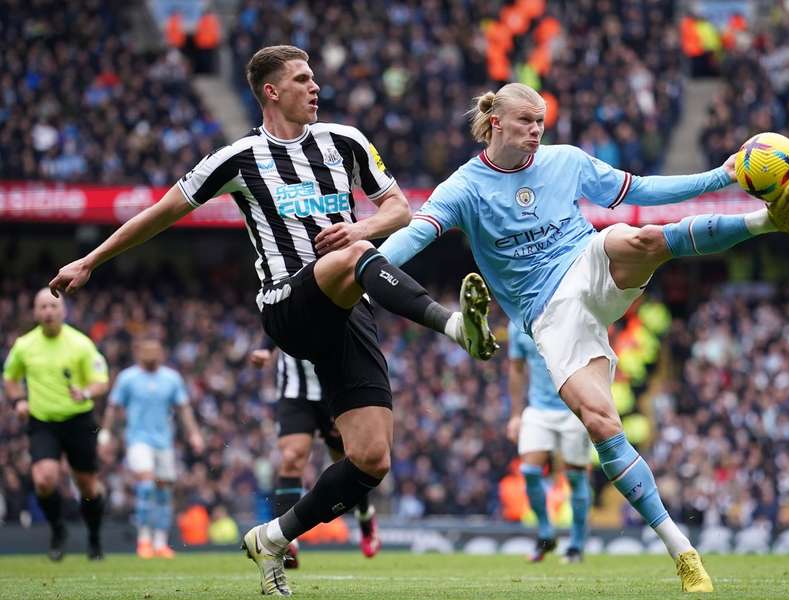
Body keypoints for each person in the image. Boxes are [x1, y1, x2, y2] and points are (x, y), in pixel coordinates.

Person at [49, 45, 495, 596]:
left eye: (314, 78)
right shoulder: (237, 158)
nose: (315, 88)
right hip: (287, 303)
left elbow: (399, 208)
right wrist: (89, 260)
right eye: (302, 79)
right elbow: (160, 214)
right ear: (271, 91)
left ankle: (272, 538)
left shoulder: (346, 142)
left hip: (347, 308)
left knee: (371, 459)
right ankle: (456, 328)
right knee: (351, 261)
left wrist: (360, 229)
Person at [353, 83, 789, 593]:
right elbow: (416, 233)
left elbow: (641, 191)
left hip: (587, 261)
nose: (535, 131)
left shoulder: (565, 160)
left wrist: (721, 175)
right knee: (602, 422)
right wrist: (365, 270)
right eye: (526, 121)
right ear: (495, 121)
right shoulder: (464, 187)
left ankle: (766, 220)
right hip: (547, 316)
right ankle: (683, 552)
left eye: (541, 123)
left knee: (642, 237)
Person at [249, 337, 381, 568]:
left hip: (336, 388)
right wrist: (265, 348)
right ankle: (286, 542)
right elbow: (277, 307)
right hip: (295, 391)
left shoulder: (339, 299)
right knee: (291, 457)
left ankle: (365, 515)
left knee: (352, 462)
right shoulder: (289, 300)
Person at [2, 288, 110, 561]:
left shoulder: (81, 344)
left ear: (64, 311)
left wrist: (85, 392)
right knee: (44, 479)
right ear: (35, 312)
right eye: (43, 307)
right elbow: (10, 378)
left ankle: (94, 538)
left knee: (87, 485)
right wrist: (18, 402)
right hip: (42, 422)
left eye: (53, 306)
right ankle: (57, 530)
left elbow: (101, 381)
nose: (48, 311)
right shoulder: (24, 345)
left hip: (78, 420)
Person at [99, 337, 204, 558]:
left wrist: (194, 434)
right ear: (138, 352)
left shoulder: (171, 378)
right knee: (146, 486)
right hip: (138, 441)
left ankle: (160, 542)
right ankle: (144, 540)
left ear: (162, 352)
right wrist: (106, 433)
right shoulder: (128, 378)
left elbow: (183, 408)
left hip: (164, 444)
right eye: (146, 350)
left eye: (155, 350)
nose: (151, 354)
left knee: (164, 492)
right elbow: (113, 407)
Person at [506, 321, 592, 564]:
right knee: (530, 471)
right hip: (538, 409)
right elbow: (516, 369)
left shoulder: (568, 314)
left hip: (574, 408)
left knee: (575, 476)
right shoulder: (518, 324)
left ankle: (576, 545)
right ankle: (546, 534)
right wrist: (515, 415)